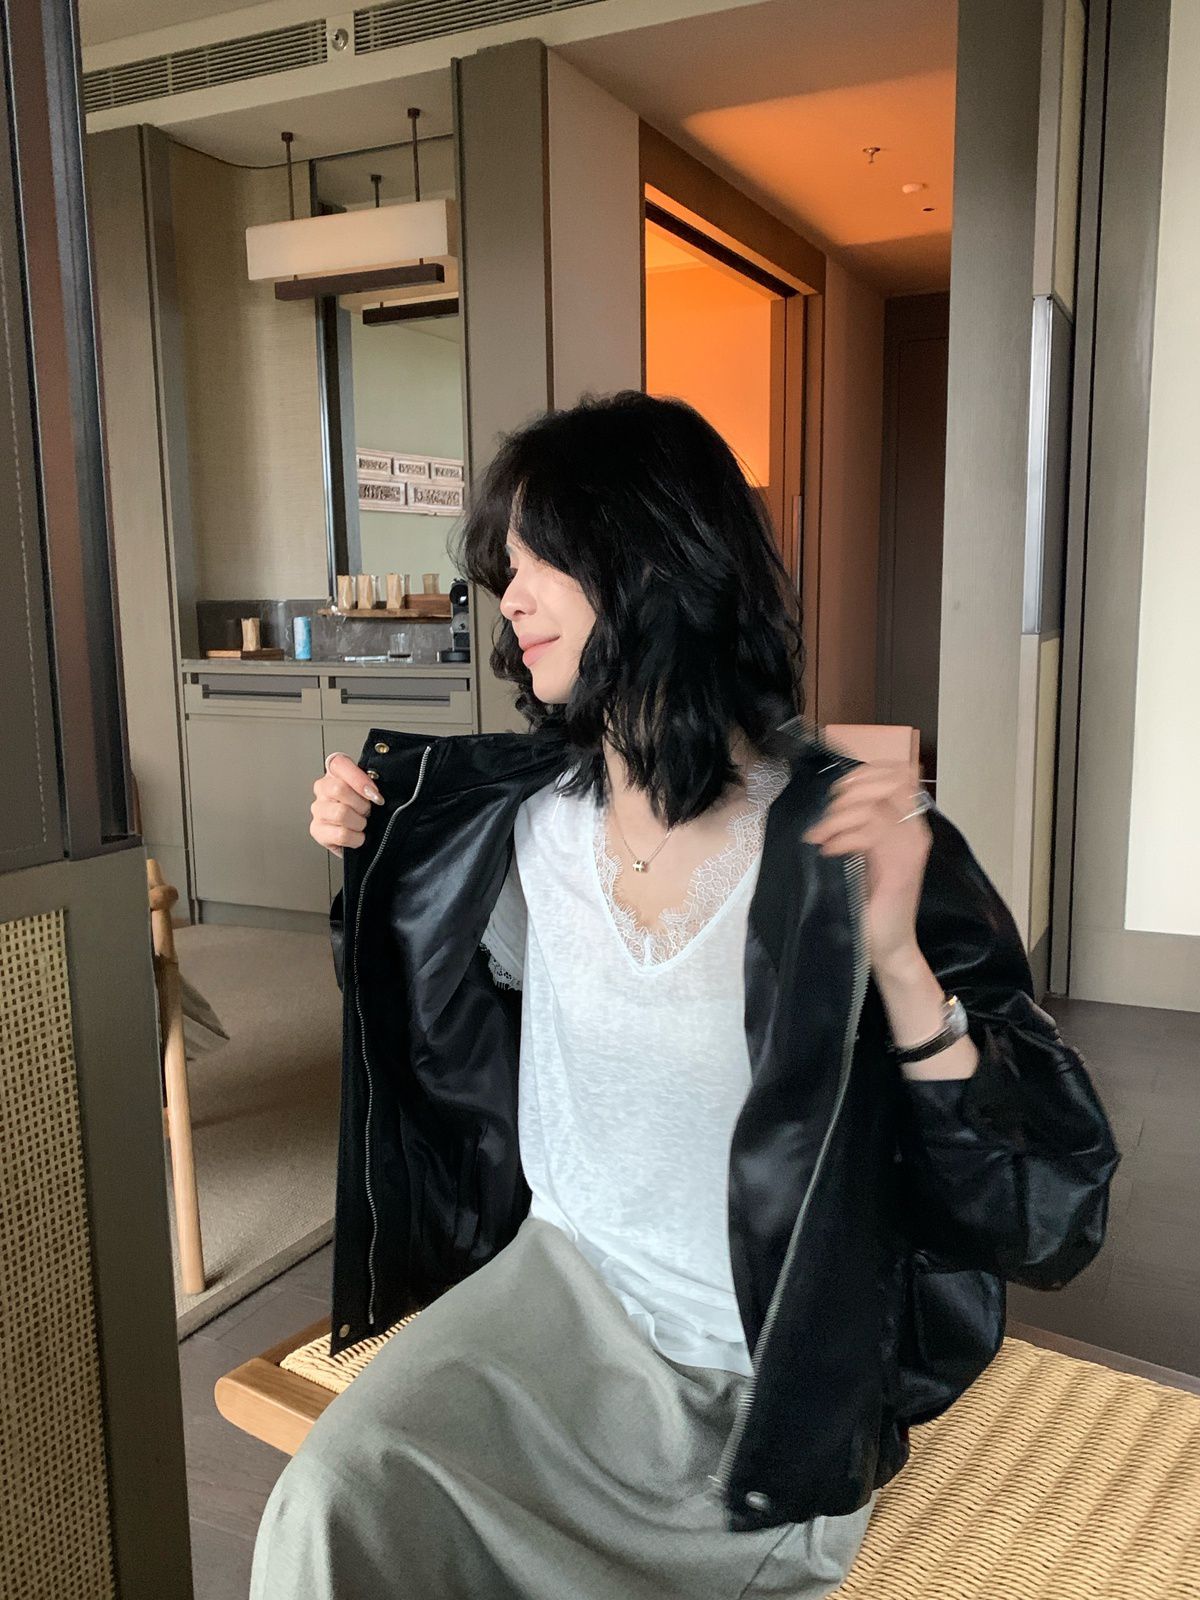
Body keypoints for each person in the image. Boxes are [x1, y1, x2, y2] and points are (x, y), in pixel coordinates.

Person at [250, 390, 1120, 1600]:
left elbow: (1047, 1212)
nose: (510, 598)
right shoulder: (520, 827)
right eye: (504, 569)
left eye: (542, 560)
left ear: (654, 556)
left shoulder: (846, 838)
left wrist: (899, 964)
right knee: (331, 1499)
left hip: (770, 1370)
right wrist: (374, 858)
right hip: (554, 1305)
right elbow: (422, 1019)